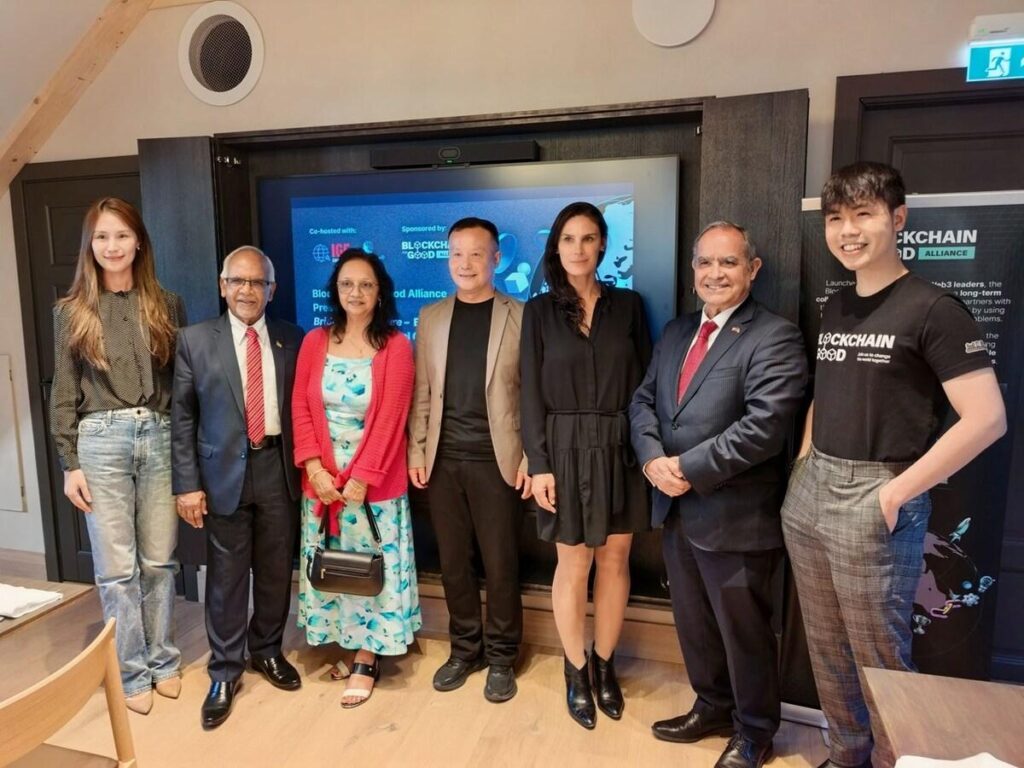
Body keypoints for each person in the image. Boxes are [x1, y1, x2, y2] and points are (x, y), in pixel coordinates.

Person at [782, 162, 1007, 768]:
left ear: (898, 218)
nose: (847, 231)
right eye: (836, 218)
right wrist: (804, 463)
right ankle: (846, 753)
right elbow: (825, 393)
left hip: (878, 489)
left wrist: (894, 493)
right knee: (826, 645)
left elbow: (987, 417)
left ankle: (893, 759)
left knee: (879, 655)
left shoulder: (934, 308)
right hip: (813, 486)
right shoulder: (838, 305)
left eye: (864, 214)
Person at [630, 222, 807, 768]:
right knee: (695, 623)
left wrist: (686, 466)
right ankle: (711, 707)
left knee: (744, 631)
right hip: (677, 509)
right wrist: (652, 460)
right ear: (692, 271)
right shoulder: (677, 331)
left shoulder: (775, 336)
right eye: (705, 262)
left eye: (728, 262)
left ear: (752, 269)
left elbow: (764, 427)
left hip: (736, 515)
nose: (715, 273)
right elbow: (642, 402)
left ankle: (754, 731)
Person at [50, 197, 186, 715]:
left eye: (122, 235)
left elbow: (180, 385)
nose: (113, 246)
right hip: (100, 440)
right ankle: (131, 672)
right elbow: (63, 391)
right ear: (90, 245)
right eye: (103, 237)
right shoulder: (71, 312)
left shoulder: (166, 305)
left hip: (159, 434)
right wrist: (70, 464)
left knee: (159, 561)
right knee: (116, 569)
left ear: (139, 242)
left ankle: (163, 660)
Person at [520, 201, 652, 729]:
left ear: (602, 245)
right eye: (569, 239)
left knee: (615, 560)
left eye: (589, 238)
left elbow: (646, 386)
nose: (579, 248)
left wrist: (648, 451)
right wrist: (539, 463)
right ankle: (575, 669)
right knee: (573, 564)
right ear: (556, 247)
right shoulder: (538, 312)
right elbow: (529, 394)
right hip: (563, 448)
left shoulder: (630, 306)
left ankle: (604, 662)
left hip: (620, 444)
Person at [172, 246, 305, 729]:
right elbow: (182, 419)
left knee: (275, 570)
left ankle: (266, 650)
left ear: (272, 289)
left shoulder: (293, 338)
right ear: (223, 285)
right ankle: (225, 670)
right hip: (220, 474)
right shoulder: (194, 340)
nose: (248, 290)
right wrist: (187, 485)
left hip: (277, 467)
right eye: (238, 281)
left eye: (257, 283)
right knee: (227, 578)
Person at [407, 217, 531, 703]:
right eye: (457, 253)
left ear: (496, 259)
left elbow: (533, 395)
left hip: (499, 459)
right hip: (443, 458)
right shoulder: (431, 316)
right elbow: (423, 390)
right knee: (454, 562)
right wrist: (417, 448)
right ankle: (465, 649)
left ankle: (501, 655)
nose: (465, 263)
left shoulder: (521, 315)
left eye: (476, 253)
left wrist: (532, 456)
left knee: (500, 563)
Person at [292, 248, 421, 709]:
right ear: (336, 290)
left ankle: (368, 655)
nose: (356, 292)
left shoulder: (396, 346)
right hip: (323, 484)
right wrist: (315, 470)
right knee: (336, 565)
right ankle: (346, 642)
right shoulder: (314, 341)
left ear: (380, 291)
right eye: (347, 284)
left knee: (370, 568)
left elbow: (391, 419)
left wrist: (361, 479)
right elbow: (301, 407)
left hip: (373, 486)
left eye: (366, 284)